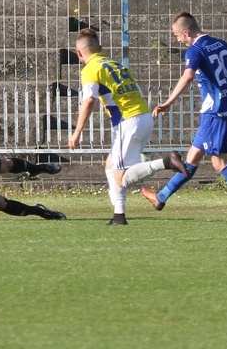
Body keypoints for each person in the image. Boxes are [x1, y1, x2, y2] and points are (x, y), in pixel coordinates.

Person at [141, 12, 227, 222]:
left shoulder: (195, 50)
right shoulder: (220, 44)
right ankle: (161, 197)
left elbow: (188, 75)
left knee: (219, 162)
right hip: (226, 109)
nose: (177, 40)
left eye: (177, 36)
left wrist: (168, 102)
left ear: (187, 32)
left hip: (215, 113)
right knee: (192, 159)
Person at [67, 28, 187, 226]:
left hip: (127, 121)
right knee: (111, 165)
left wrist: (76, 133)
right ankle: (119, 216)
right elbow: (136, 90)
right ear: (101, 48)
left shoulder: (90, 69)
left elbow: (88, 101)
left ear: (79, 53)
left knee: (121, 177)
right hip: (142, 116)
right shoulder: (115, 64)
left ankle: (166, 162)